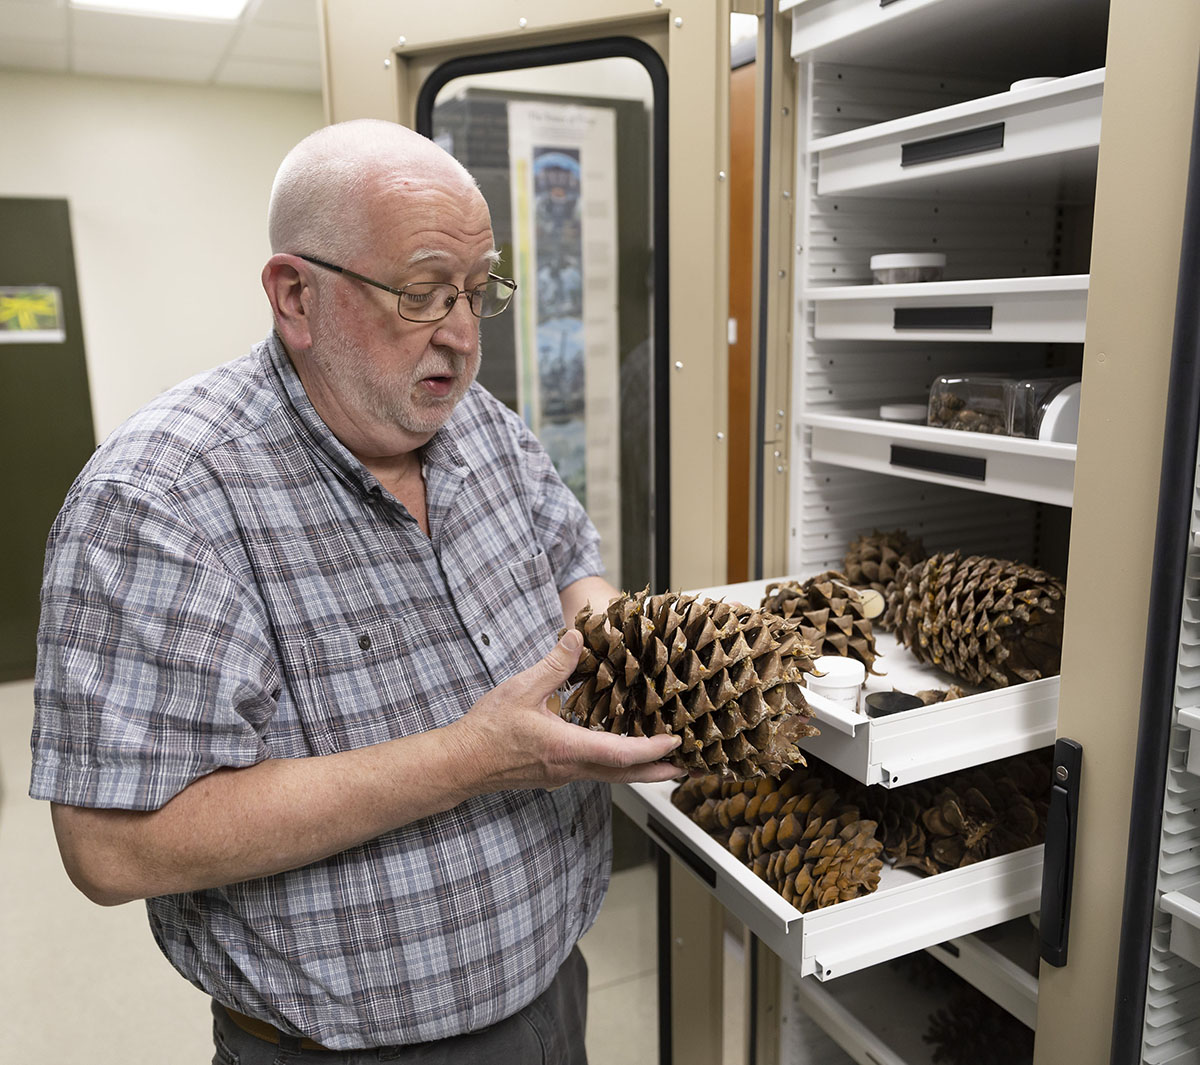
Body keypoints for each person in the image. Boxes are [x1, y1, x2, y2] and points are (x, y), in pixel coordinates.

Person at [29, 119, 682, 1062]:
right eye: (421, 292)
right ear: (296, 296)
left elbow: (571, 560)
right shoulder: (159, 500)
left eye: (477, 290)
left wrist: (645, 667)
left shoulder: (477, 424)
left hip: (551, 992)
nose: (461, 335)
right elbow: (110, 847)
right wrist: (472, 756)